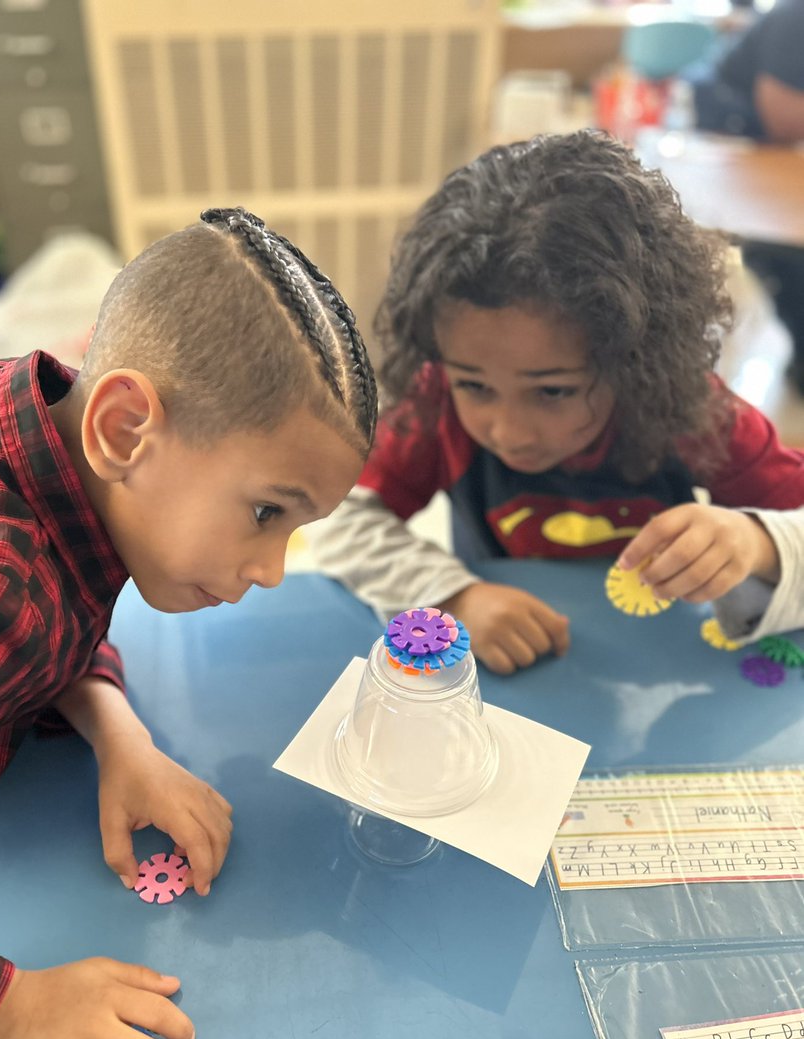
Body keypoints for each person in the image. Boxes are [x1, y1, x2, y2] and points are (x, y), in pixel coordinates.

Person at [0, 208, 378, 1039]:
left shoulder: (32, 416)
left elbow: (60, 604)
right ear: (125, 427)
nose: (271, 572)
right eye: (267, 514)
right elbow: (4, 604)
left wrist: (118, 733)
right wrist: (3, 1017)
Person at [308, 130, 804, 676]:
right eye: (475, 385)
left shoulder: (693, 411)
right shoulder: (436, 401)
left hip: (660, 673)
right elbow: (340, 517)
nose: (510, 430)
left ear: (635, 357)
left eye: (552, 391)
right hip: (509, 678)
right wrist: (451, 597)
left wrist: (757, 542)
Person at [691, 0, 804, 391]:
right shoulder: (796, 18)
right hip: (735, 151)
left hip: (775, 155)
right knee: (787, 252)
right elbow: (783, 119)